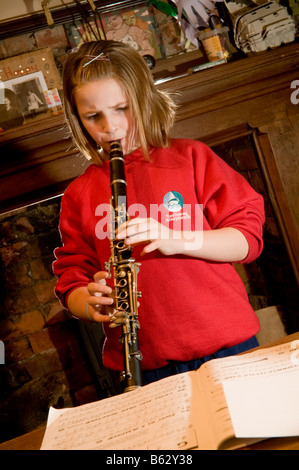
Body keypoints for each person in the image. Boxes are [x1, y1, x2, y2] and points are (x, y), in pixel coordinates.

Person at [53, 40, 265, 386]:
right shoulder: (78, 194)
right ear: (78, 119)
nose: (111, 127)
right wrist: (88, 302)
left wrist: (176, 238)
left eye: (122, 108)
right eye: (93, 116)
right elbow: (72, 276)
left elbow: (247, 239)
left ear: (144, 99)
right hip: (147, 365)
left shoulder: (191, 157)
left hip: (228, 347)